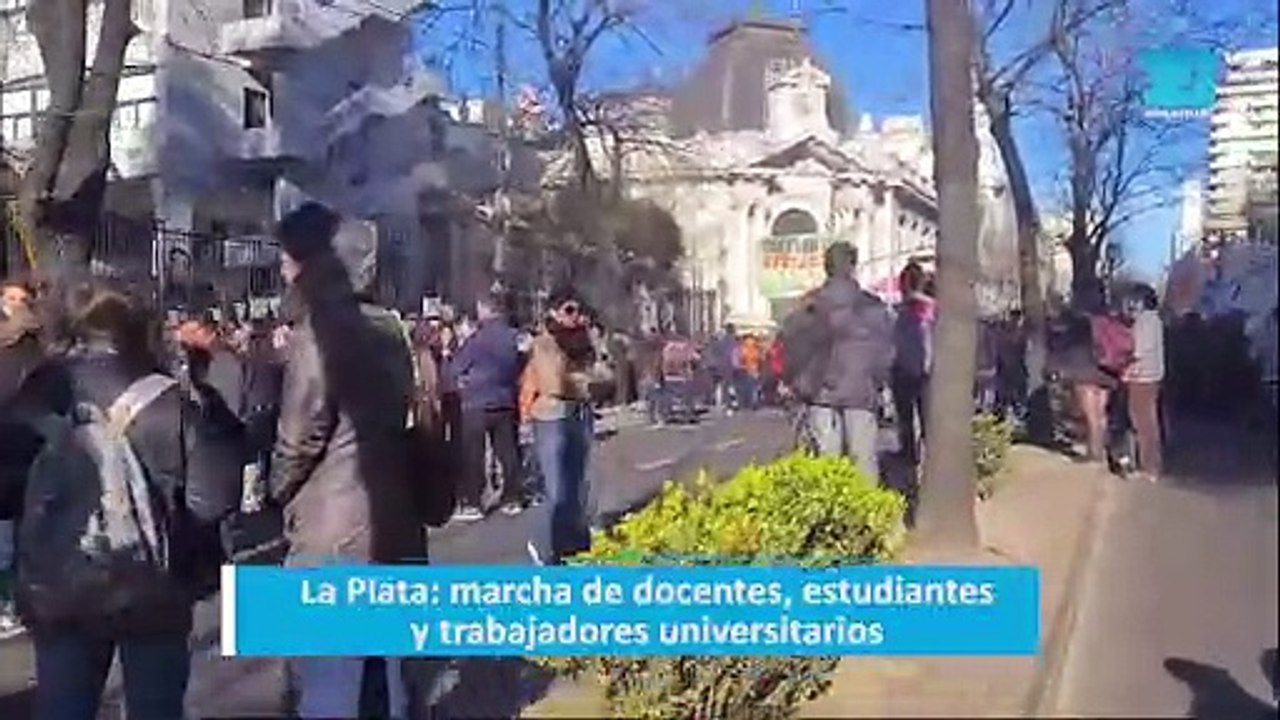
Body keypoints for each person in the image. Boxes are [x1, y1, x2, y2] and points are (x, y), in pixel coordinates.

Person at [12, 283, 220, 720]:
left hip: (58, 586)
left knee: (63, 707)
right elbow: (212, 500)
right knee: (154, 707)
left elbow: (7, 483)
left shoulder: (41, 391)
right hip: (152, 589)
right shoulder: (172, 398)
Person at [268, 203, 419, 719]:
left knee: (329, 684)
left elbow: (300, 437)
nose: (285, 272)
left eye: (290, 260)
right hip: (392, 520)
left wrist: (275, 491)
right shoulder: (391, 329)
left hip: (334, 530)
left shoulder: (321, 334)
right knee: (388, 681)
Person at [519, 290, 611, 565]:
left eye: (579, 311)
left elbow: (607, 376)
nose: (577, 317)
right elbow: (554, 383)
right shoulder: (544, 343)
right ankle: (547, 548)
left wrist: (588, 376)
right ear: (554, 312)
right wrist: (586, 381)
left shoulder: (587, 342)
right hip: (552, 418)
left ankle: (575, 545)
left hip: (580, 414)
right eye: (570, 310)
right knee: (557, 488)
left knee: (577, 485)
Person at [803, 242, 894, 480]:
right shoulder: (872, 306)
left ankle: (832, 513)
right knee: (863, 459)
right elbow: (886, 352)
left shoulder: (810, 305)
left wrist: (802, 384)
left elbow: (794, 348)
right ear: (853, 266)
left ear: (826, 267)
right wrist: (877, 380)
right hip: (861, 390)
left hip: (820, 392)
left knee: (825, 463)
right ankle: (866, 514)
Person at [450, 292, 523, 520]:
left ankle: (473, 502)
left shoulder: (476, 340)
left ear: (487, 310)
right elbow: (520, 364)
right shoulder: (513, 337)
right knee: (507, 451)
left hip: (476, 403)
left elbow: (455, 369)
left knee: (474, 455)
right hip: (505, 400)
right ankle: (513, 498)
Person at [891, 262, 933, 466]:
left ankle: (909, 453)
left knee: (906, 416)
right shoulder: (932, 308)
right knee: (926, 416)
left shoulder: (899, 311)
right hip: (925, 371)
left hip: (904, 370)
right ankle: (927, 453)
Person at [1123, 284, 1164, 482]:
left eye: (1134, 300)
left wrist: (1128, 371)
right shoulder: (1154, 320)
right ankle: (1150, 465)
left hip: (1142, 378)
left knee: (1143, 422)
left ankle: (1149, 467)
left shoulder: (1145, 322)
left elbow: (1139, 351)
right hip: (1152, 375)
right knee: (1148, 421)